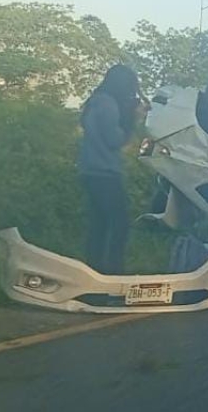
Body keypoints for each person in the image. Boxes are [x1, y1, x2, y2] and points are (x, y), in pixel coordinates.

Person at [78, 64, 146, 275]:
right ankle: (113, 271)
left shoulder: (96, 102)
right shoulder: (108, 105)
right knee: (120, 223)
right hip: (105, 171)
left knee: (99, 224)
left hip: (90, 169)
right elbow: (114, 139)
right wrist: (132, 118)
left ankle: (94, 270)